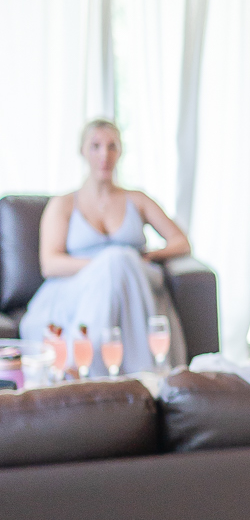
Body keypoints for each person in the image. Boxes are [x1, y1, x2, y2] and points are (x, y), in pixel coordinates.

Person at [20, 119, 190, 374]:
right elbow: (50, 263)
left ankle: (86, 366)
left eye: (112, 147)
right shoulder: (63, 204)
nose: (104, 155)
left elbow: (181, 242)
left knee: (120, 261)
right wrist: (105, 265)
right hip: (77, 287)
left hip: (133, 284)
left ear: (120, 152)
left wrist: (148, 255)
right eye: (96, 146)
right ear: (82, 151)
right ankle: (90, 365)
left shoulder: (137, 199)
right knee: (115, 260)